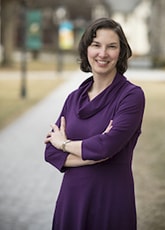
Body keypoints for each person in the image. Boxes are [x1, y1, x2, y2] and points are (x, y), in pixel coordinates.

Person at [44, 17, 145, 230]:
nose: (103, 53)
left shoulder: (131, 96)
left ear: (121, 52)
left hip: (110, 200)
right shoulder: (74, 98)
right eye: (96, 45)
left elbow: (105, 147)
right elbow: (50, 153)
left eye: (112, 47)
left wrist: (64, 144)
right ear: (86, 49)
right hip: (71, 199)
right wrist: (92, 156)